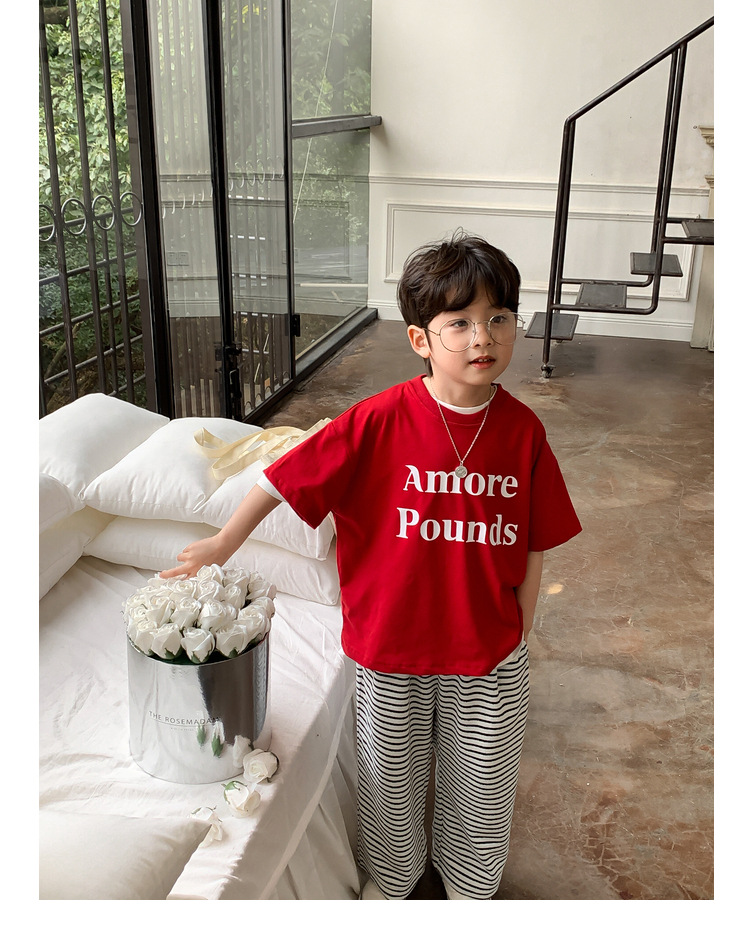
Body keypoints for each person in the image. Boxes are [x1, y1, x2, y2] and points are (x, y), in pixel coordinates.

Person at [161, 231, 582, 900]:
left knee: (484, 783)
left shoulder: (523, 430)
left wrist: (524, 618)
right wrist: (223, 543)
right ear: (420, 339)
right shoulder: (377, 421)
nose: (484, 337)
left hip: (488, 647)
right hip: (390, 646)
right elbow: (281, 478)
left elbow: (537, 534)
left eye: (500, 317)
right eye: (460, 322)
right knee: (389, 780)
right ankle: (393, 881)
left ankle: (472, 887)